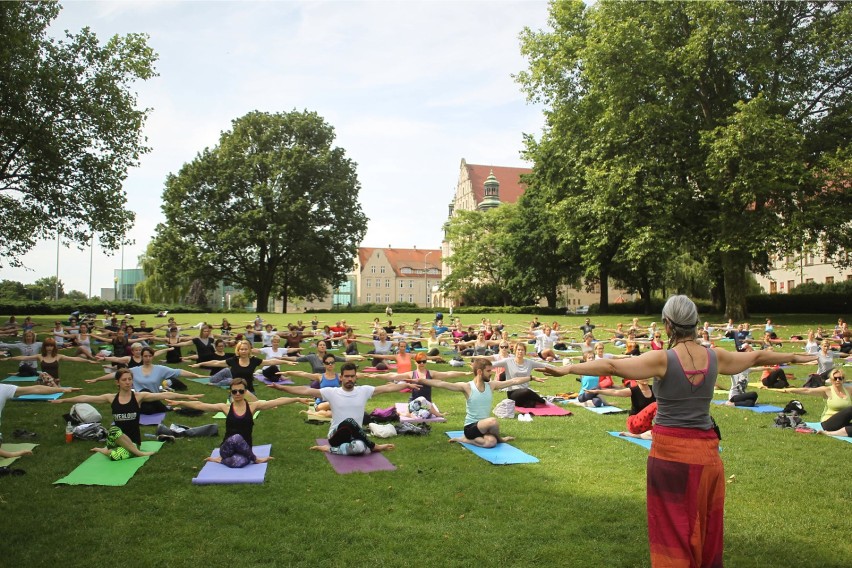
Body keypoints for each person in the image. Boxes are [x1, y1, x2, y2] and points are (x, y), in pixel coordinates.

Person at [541, 295, 817, 568]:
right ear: (696, 323)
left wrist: (567, 368)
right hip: (708, 457)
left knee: (672, 531)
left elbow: (612, 365)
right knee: (705, 526)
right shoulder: (715, 356)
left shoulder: (662, 359)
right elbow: (756, 356)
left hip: (670, 457)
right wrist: (794, 355)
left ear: (667, 325)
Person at [51, 369, 203, 459]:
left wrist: (188, 397)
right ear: (117, 382)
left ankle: (119, 451)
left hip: (133, 440)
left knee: (115, 456)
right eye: (124, 380)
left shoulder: (138, 397)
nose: (128, 382)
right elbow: (85, 398)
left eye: (130, 379)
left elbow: (165, 396)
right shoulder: (111, 398)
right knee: (113, 431)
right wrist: (64, 400)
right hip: (115, 438)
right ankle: (128, 452)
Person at [167, 378, 312, 467]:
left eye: (241, 391)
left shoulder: (253, 406)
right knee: (236, 438)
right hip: (227, 447)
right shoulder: (225, 407)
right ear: (230, 392)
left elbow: (277, 401)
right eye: (234, 391)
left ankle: (221, 460)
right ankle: (256, 459)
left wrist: (297, 399)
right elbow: (200, 405)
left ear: (245, 392)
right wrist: (180, 401)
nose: (237, 394)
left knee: (241, 463)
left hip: (245, 448)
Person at [269, 363, 408, 455]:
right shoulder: (332, 392)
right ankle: (373, 446)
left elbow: (387, 388)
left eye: (352, 376)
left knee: (359, 449)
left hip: (355, 436)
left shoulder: (363, 391)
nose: (349, 379)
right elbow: (305, 390)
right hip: (336, 435)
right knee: (349, 422)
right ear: (341, 377)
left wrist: (408, 385)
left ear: (356, 377)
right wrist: (282, 387)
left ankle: (331, 450)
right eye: (346, 376)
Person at [412, 358, 546, 447]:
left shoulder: (491, 385)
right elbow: (441, 384)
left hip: (484, 428)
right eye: (488, 371)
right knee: (493, 421)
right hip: (471, 427)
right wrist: (422, 381)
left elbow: (513, 381)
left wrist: (531, 377)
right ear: (480, 372)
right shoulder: (467, 387)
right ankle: (478, 438)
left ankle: (469, 440)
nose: (491, 374)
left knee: (491, 443)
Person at [191, 339, 290, 398]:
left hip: (249, 391)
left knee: (252, 408)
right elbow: (216, 363)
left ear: (249, 350)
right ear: (238, 350)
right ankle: (215, 383)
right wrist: (200, 364)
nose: (243, 351)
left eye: (245, 349)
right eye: (241, 349)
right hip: (235, 391)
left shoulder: (253, 360)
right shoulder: (233, 360)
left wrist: (286, 361)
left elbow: (270, 362)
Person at [363, 352, 468, 402]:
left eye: (424, 361)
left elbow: (448, 374)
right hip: (413, 402)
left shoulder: (431, 373)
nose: (422, 363)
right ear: (415, 362)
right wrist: (376, 376)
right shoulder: (410, 374)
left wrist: (464, 373)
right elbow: (393, 376)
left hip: (428, 403)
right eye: (419, 361)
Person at [781, 368, 852, 437]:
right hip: (828, 423)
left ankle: (831, 433)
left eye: (840, 378)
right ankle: (830, 432)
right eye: (835, 378)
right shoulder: (827, 390)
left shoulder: (848, 390)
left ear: (843, 379)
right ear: (831, 380)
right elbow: (807, 390)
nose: (838, 380)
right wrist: (788, 390)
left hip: (843, 423)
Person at [587, 377, 657, 439]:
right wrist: (598, 391)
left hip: (647, 425)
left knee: (663, 434)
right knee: (655, 405)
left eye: (647, 376)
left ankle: (636, 436)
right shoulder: (633, 390)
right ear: (636, 379)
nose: (645, 378)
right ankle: (636, 434)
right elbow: (615, 391)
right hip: (634, 424)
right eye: (642, 376)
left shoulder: (655, 389)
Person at [487, 342, 554, 407]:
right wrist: (481, 364)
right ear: (515, 351)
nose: (520, 351)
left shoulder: (529, 362)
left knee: (531, 404)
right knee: (526, 391)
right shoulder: (507, 361)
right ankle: (544, 401)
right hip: (513, 392)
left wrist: (559, 368)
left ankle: (532, 401)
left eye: (522, 350)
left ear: (525, 352)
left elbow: (544, 365)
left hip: (525, 392)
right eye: (518, 349)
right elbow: (492, 364)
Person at [6, 337, 96, 386]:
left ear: (54, 347)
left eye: (51, 346)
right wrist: (9, 358)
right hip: (44, 381)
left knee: (50, 382)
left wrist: (88, 361)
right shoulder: (40, 356)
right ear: (44, 347)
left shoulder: (58, 356)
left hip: (55, 381)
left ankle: (55, 387)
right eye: (47, 346)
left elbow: (74, 359)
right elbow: (24, 358)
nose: (49, 348)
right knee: (43, 375)